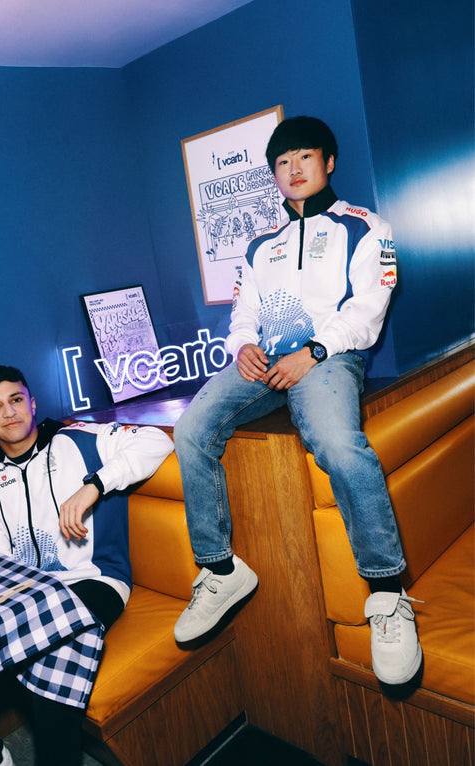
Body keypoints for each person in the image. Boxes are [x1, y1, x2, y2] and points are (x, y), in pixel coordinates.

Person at [173, 116, 423, 687]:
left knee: (337, 443)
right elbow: (243, 314)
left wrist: (313, 352)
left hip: (330, 359)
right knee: (190, 430)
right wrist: (242, 346)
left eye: (304, 157)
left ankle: (387, 593)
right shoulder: (261, 243)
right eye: (282, 163)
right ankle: (219, 570)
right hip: (264, 361)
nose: (293, 169)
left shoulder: (367, 227)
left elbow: (368, 310)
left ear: (328, 162)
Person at [0, 365, 174, 766]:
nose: (9, 412)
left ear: (32, 403)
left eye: (16, 399)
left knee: (54, 656)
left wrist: (94, 485)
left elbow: (155, 440)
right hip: (29, 596)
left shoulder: (77, 440)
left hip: (96, 580)